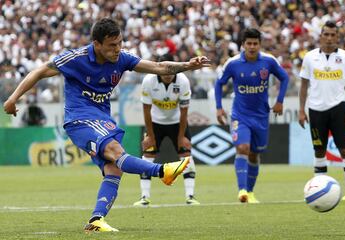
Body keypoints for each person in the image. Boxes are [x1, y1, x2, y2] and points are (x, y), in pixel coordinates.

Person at [3, 18, 211, 232]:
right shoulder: (76, 58)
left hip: (103, 119)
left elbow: (158, 67)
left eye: (120, 43)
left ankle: (96, 219)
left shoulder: (122, 59)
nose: (118, 49)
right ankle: (162, 171)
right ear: (97, 44)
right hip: (79, 119)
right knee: (115, 151)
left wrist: (187, 65)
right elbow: (38, 72)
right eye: (112, 45)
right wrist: (13, 99)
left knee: (113, 168)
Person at [214, 28, 289, 203]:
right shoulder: (233, 64)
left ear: (260, 45)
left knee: (254, 155)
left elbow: (284, 78)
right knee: (242, 148)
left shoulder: (269, 61)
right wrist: (219, 107)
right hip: (240, 116)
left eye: (255, 43)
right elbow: (219, 84)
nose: (252, 47)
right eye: (249, 43)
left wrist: (280, 101)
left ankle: (251, 191)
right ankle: (242, 191)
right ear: (243, 45)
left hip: (261, 116)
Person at [299, 21, 345, 201]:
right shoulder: (309, 57)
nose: (330, 38)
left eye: (333, 35)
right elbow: (303, 85)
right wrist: (301, 110)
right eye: (327, 34)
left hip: (338, 109)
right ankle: (318, 190)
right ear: (321, 36)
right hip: (316, 110)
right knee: (319, 151)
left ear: (337, 37)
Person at [133, 54, 199, 207]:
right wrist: (150, 135)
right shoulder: (148, 81)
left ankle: (190, 196)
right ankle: (144, 197)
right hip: (155, 123)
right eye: (166, 70)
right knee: (147, 156)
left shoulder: (183, 81)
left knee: (186, 156)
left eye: (172, 70)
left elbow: (184, 112)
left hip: (177, 123)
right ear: (159, 68)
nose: (169, 74)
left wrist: (181, 136)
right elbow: (146, 110)